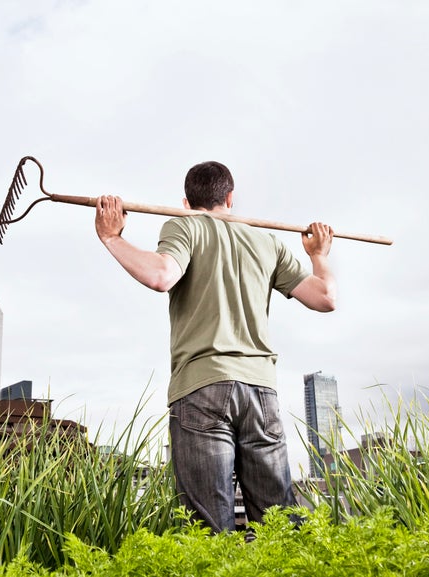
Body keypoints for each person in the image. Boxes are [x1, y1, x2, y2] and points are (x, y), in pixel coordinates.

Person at [94, 160, 336, 534]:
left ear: (187, 201)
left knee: (209, 534)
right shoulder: (266, 240)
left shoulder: (184, 225)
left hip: (202, 388)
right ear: (229, 197)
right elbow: (324, 298)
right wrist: (318, 255)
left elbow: (161, 275)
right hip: (261, 394)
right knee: (281, 530)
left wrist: (113, 237)